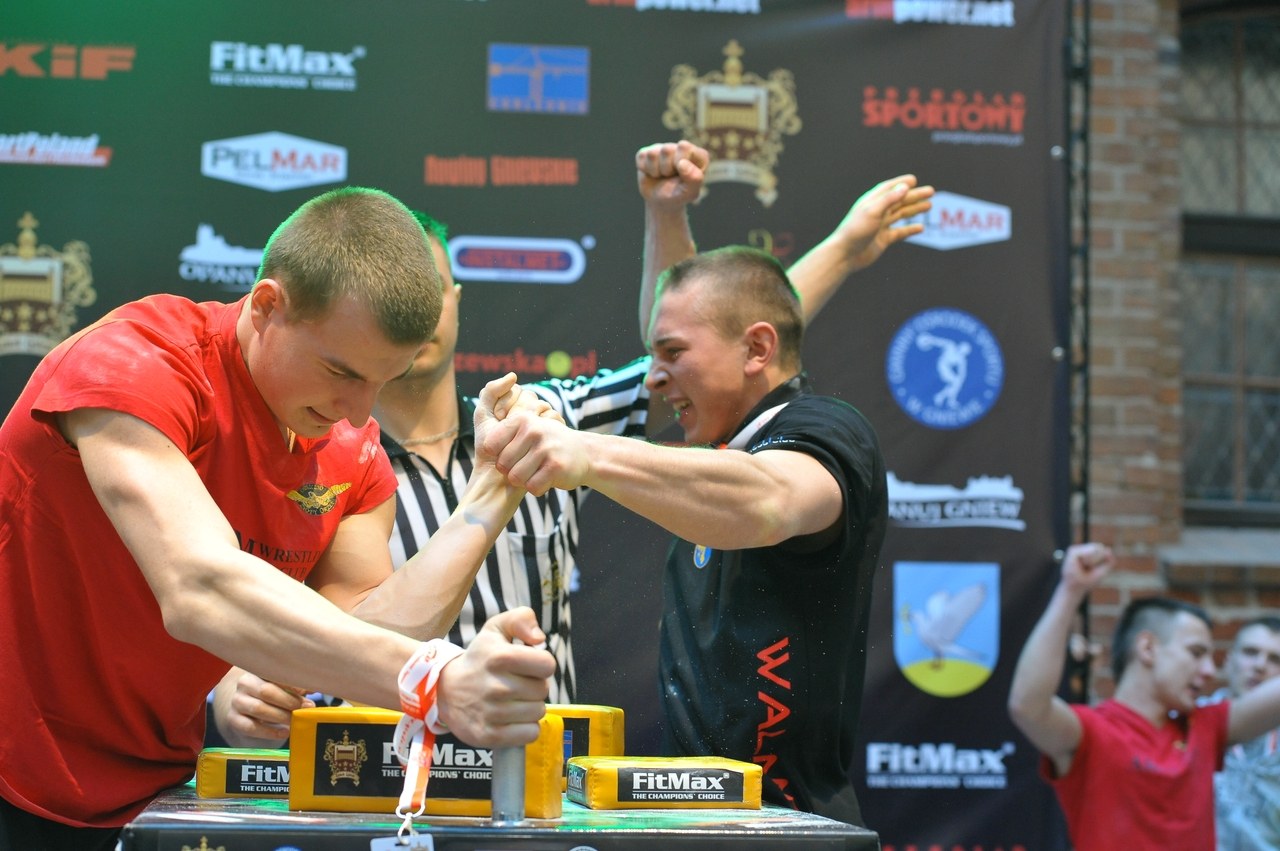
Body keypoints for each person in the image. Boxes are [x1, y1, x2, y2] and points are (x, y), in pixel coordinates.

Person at [210, 141, 934, 748]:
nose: (408, 316)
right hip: (369, 781)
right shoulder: (308, 453)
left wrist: (836, 249)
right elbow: (238, 603)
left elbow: (711, 348)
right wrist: (231, 682)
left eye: (425, 291)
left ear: (455, 296)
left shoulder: (535, 418)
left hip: (537, 789)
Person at [0, 186, 558, 850]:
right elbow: (198, 586)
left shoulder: (353, 449)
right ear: (267, 305)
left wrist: (491, 489)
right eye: (341, 372)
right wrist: (437, 678)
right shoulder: (137, 361)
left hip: (158, 795)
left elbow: (367, 633)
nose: (360, 412)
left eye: (384, 380)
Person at [475, 243, 888, 826]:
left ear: (758, 349)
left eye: (672, 352)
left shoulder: (825, 427)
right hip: (703, 820)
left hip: (791, 827)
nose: (652, 377)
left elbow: (770, 499)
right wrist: (664, 215)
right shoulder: (723, 453)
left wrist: (584, 452)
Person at [1007, 543, 1280, 850]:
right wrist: (1070, 591)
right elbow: (1027, 705)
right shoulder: (1092, 732)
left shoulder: (1205, 727)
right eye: (1196, 653)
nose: (1208, 670)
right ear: (1148, 648)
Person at [1205, 616, 1280, 850]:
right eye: (1250, 652)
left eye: (1275, 659)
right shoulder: (1188, 722)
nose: (1260, 665)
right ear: (1228, 661)